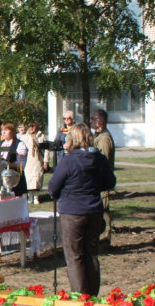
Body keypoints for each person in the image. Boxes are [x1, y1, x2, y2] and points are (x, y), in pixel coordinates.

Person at [48, 123, 116, 296]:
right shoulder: (99, 159)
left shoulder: (69, 160)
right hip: (93, 210)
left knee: (74, 256)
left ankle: (80, 297)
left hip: (72, 212)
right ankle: (92, 295)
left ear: (73, 139)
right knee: (91, 254)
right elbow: (110, 182)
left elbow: (53, 186)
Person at [90, 109, 116, 244]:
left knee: (103, 209)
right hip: (98, 181)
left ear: (99, 122)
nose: (90, 122)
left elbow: (103, 161)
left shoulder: (104, 138)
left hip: (102, 180)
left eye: (92, 119)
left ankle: (105, 238)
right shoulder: (98, 136)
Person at [0, 122, 28, 197]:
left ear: (13, 131)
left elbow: (21, 165)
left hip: (15, 179)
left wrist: (8, 164)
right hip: (1, 179)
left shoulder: (20, 144)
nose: (3, 132)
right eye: (2, 130)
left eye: (6, 130)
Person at [21, 122, 46, 204]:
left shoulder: (41, 136)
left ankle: (36, 197)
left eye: (33, 127)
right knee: (29, 179)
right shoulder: (24, 137)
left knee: (37, 178)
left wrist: (46, 161)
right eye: (30, 126)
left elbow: (46, 150)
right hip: (28, 161)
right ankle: (30, 197)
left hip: (38, 160)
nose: (31, 128)